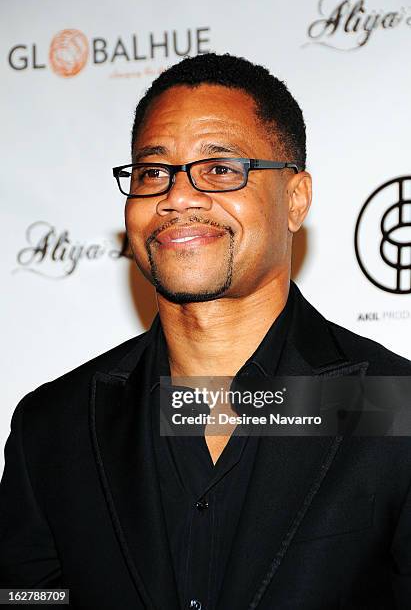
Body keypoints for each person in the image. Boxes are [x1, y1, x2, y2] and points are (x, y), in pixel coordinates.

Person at [0, 53, 410, 610]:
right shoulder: (54, 426)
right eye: (153, 172)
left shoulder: (392, 406)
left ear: (295, 199)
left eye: (218, 169)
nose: (177, 196)